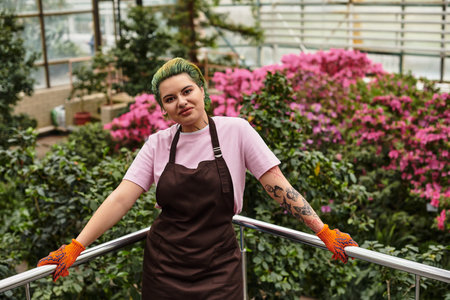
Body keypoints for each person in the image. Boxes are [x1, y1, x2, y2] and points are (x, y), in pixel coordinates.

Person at [37, 58, 358, 299]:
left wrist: (323, 231)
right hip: (165, 267)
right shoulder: (157, 144)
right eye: (170, 98)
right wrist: (77, 246)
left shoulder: (237, 131)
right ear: (163, 108)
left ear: (202, 91)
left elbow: (277, 185)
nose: (182, 102)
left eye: (187, 91)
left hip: (219, 266)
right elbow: (122, 197)